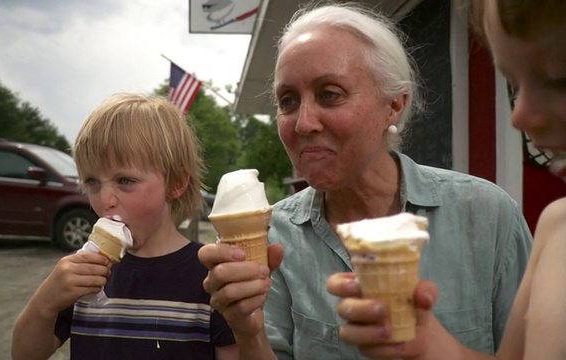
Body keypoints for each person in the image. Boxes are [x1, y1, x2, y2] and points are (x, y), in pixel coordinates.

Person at [198, 3, 533, 360]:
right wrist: (249, 331)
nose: (303, 123)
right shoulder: (276, 239)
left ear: (394, 105)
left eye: (330, 93)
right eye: (288, 100)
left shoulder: (487, 216)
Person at [326, 0, 566, 359]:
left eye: (560, 80)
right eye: (514, 85)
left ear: (395, 105)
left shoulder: (491, 211)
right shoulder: (555, 228)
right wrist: (431, 346)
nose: (520, 115)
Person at [11, 94, 238, 359]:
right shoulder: (81, 272)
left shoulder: (211, 278)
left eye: (125, 181)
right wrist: (46, 302)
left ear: (176, 183)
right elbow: (25, 354)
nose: (105, 200)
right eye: (93, 182)